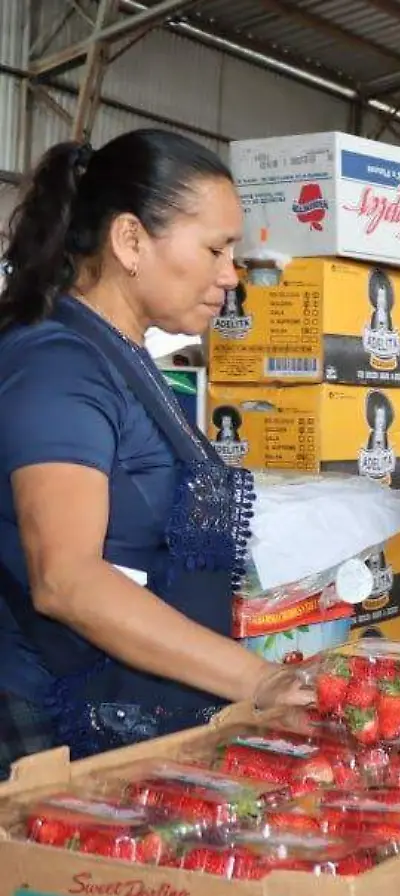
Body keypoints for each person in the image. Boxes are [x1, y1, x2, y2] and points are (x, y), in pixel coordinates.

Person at [0, 131, 309, 769]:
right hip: (44, 720)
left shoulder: (127, 359)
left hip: (121, 706)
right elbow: (66, 578)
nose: (231, 274)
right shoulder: (58, 366)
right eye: (216, 249)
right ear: (131, 241)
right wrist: (257, 681)